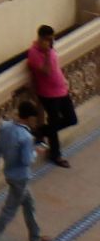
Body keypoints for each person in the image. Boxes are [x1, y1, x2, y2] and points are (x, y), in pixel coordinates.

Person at [0, 100, 51, 241]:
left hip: (10, 173)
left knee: (29, 204)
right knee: (9, 210)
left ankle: (35, 236)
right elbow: (26, 160)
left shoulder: (5, 127)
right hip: (20, 177)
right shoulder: (26, 137)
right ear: (29, 118)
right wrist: (36, 151)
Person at [28, 24, 77, 168]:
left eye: (52, 39)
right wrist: (48, 52)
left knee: (71, 119)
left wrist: (64, 81)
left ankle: (41, 131)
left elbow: (56, 69)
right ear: (40, 38)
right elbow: (47, 72)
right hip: (48, 95)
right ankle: (56, 155)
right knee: (54, 124)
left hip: (61, 91)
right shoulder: (34, 53)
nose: (51, 42)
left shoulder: (50, 49)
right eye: (48, 40)